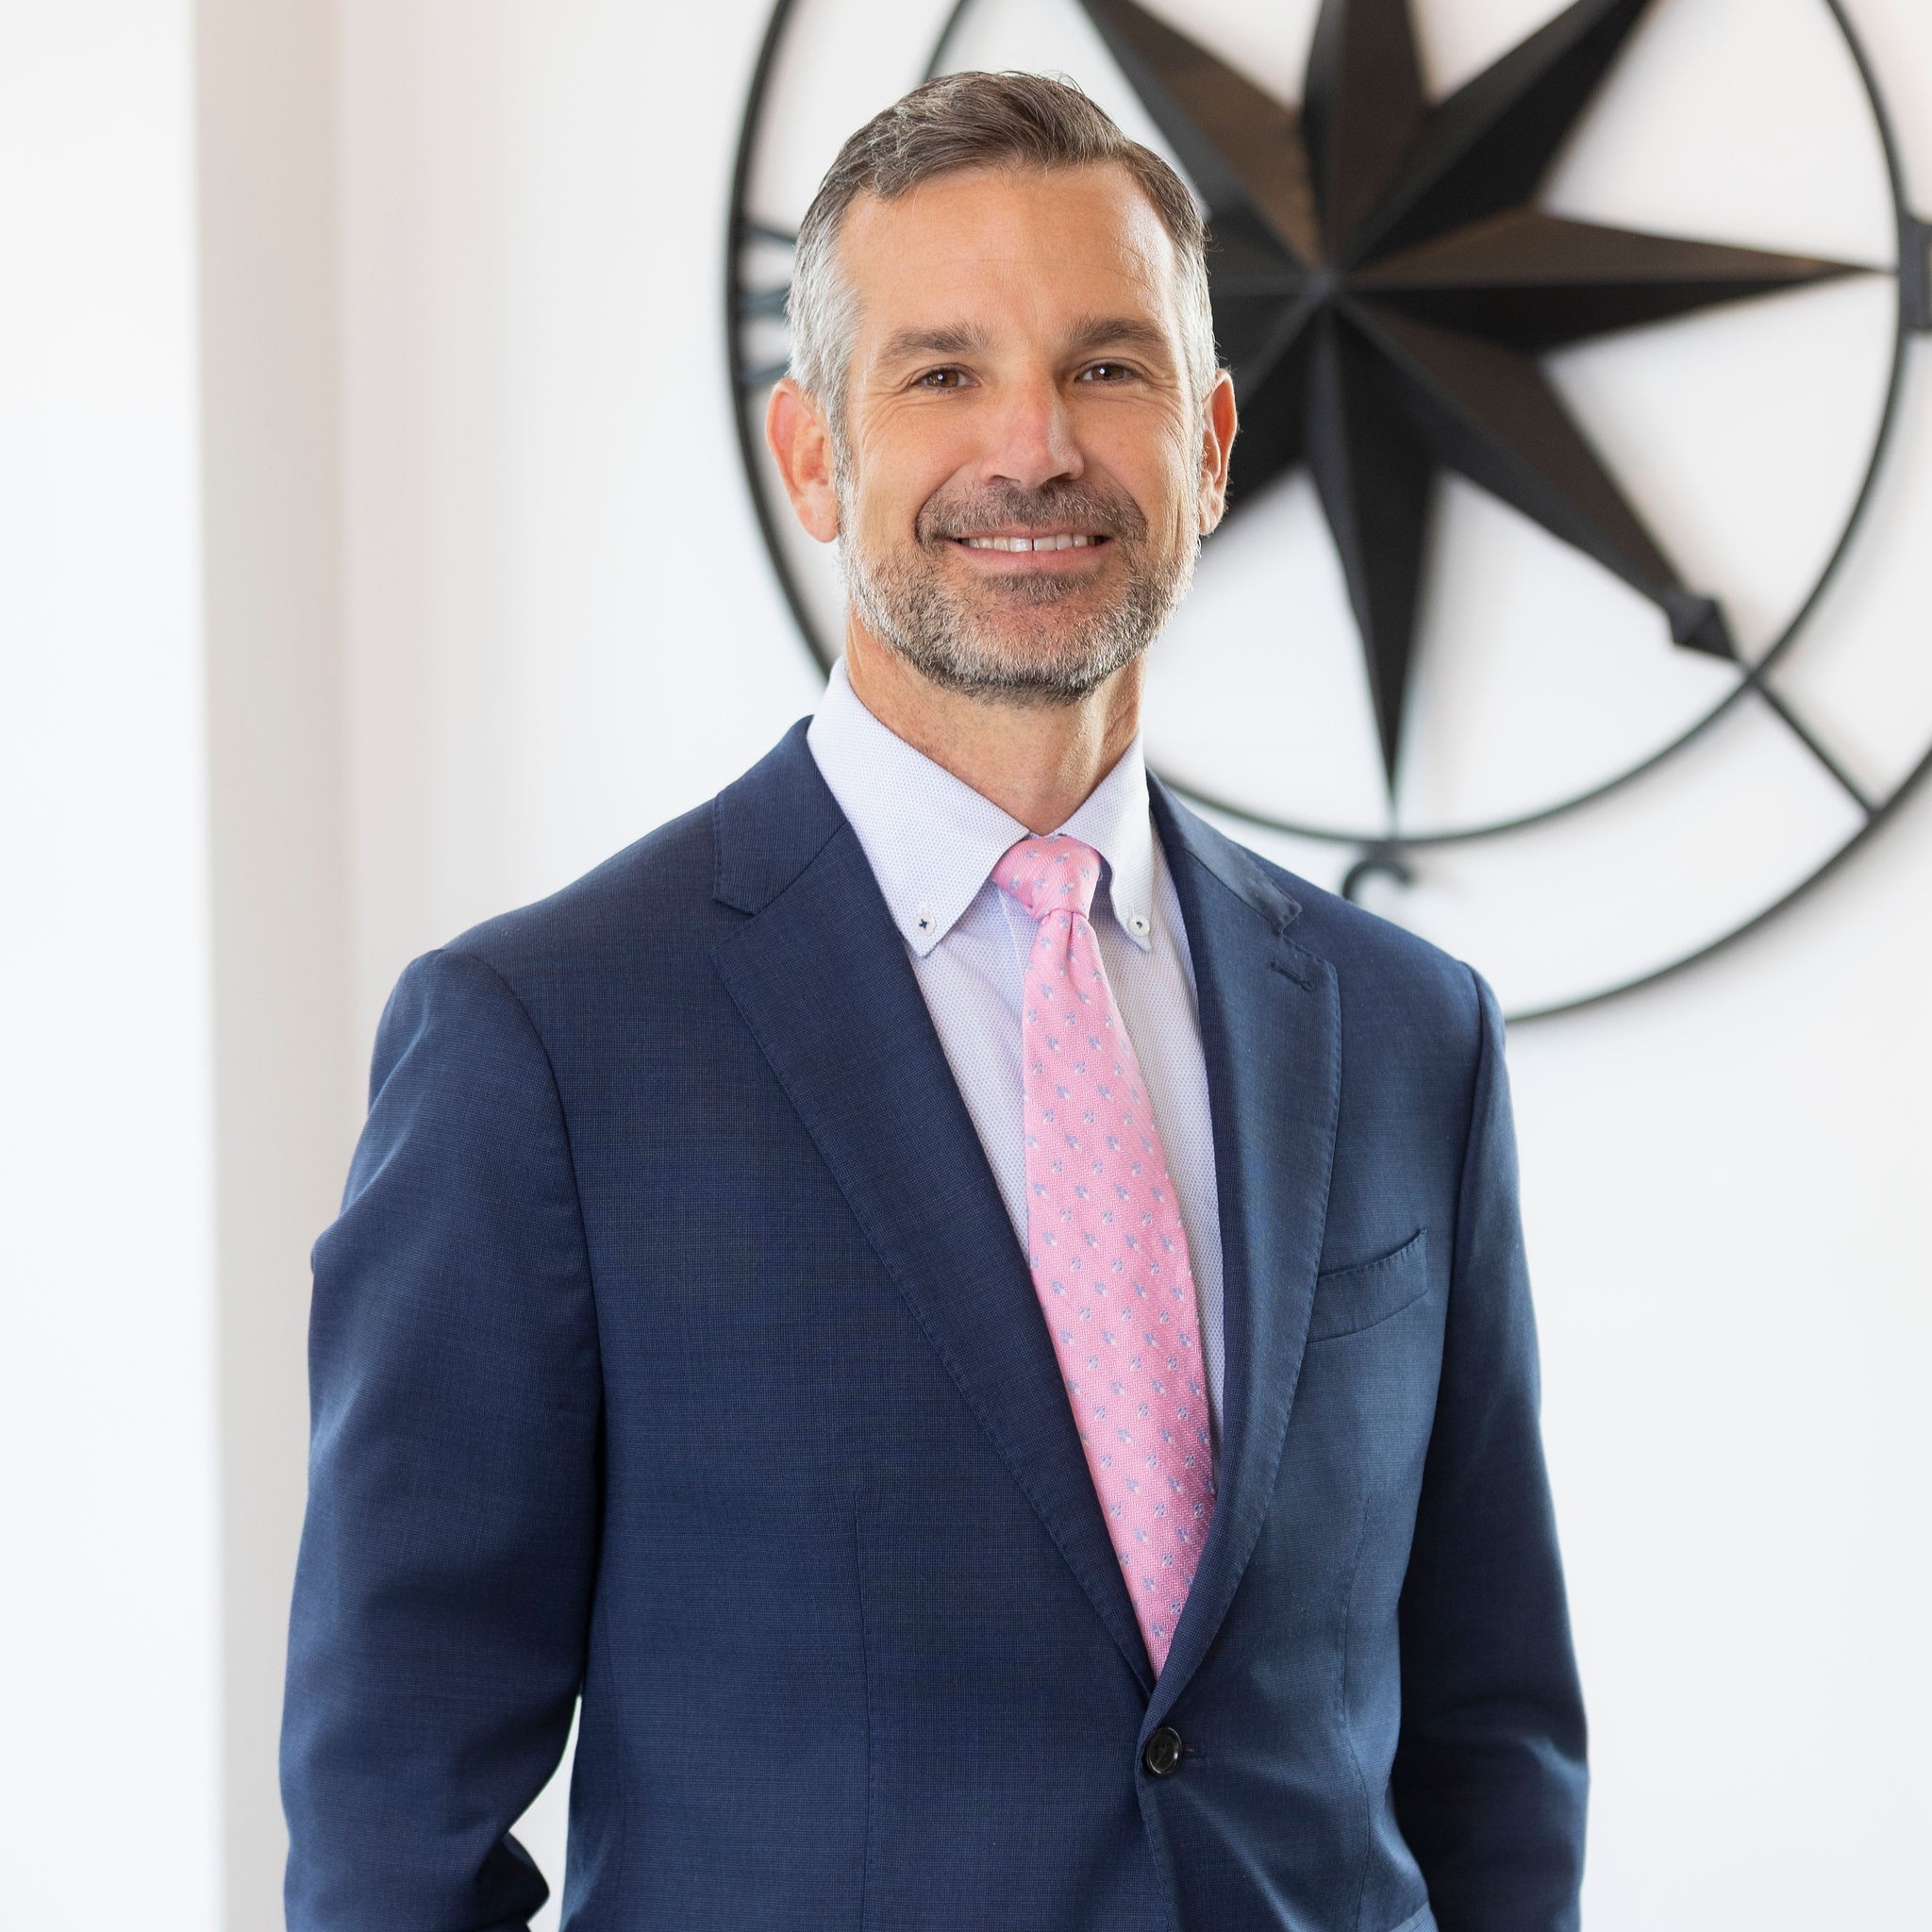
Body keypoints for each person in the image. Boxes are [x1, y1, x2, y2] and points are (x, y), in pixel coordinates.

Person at [282, 72, 1585, 1932]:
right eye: (943, 372)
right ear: (813, 454)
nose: (1034, 447)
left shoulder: (1406, 1033)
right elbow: (390, 1820)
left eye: (1108, 368)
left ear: (1212, 442)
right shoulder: (545, 1046)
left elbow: (1492, 1736)